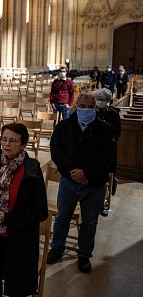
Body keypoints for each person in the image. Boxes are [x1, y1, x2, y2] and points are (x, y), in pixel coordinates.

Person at [0, 123, 48, 297]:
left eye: (13, 141)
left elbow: (39, 211)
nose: (6, 144)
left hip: (18, 240)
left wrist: (7, 218)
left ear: (23, 145)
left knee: (16, 287)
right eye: (4, 139)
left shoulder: (32, 170)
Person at [47, 93, 116, 273]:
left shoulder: (105, 129)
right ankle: (57, 248)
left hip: (93, 183)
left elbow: (106, 157)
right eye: (82, 106)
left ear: (95, 108)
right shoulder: (64, 126)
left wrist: (86, 173)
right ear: (76, 106)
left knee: (89, 222)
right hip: (69, 181)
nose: (86, 109)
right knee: (62, 217)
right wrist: (73, 172)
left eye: (90, 107)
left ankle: (84, 254)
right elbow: (56, 150)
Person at [93, 88, 121, 217]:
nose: (100, 102)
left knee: (103, 180)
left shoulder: (113, 114)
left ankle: (100, 205)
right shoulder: (92, 112)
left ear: (108, 101)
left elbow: (116, 134)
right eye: (98, 99)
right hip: (92, 151)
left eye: (102, 100)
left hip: (107, 153)